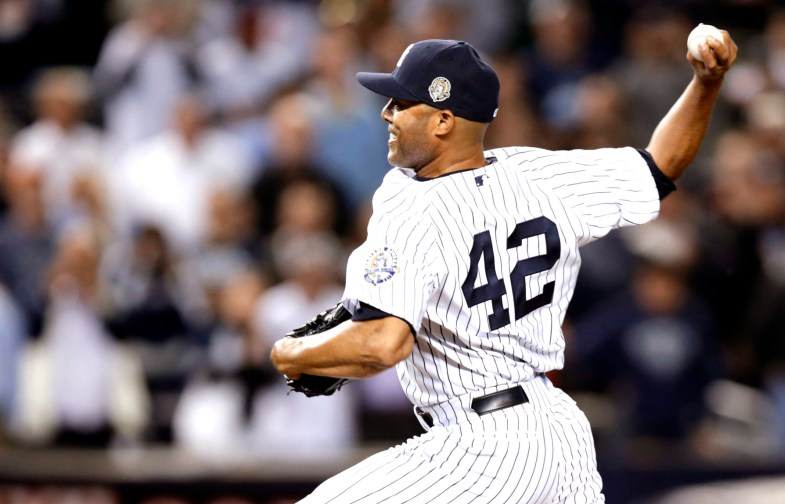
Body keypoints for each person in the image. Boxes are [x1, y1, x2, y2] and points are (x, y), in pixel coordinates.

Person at [271, 33, 737, 502]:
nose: (386, 114)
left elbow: (383, 343)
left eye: (401, 102)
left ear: (443, 121)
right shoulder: (540, 176)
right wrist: (705, 83)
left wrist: (292, 354)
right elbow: (661, 166)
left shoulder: (408, 200)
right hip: (559, 434)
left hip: (480, 446)